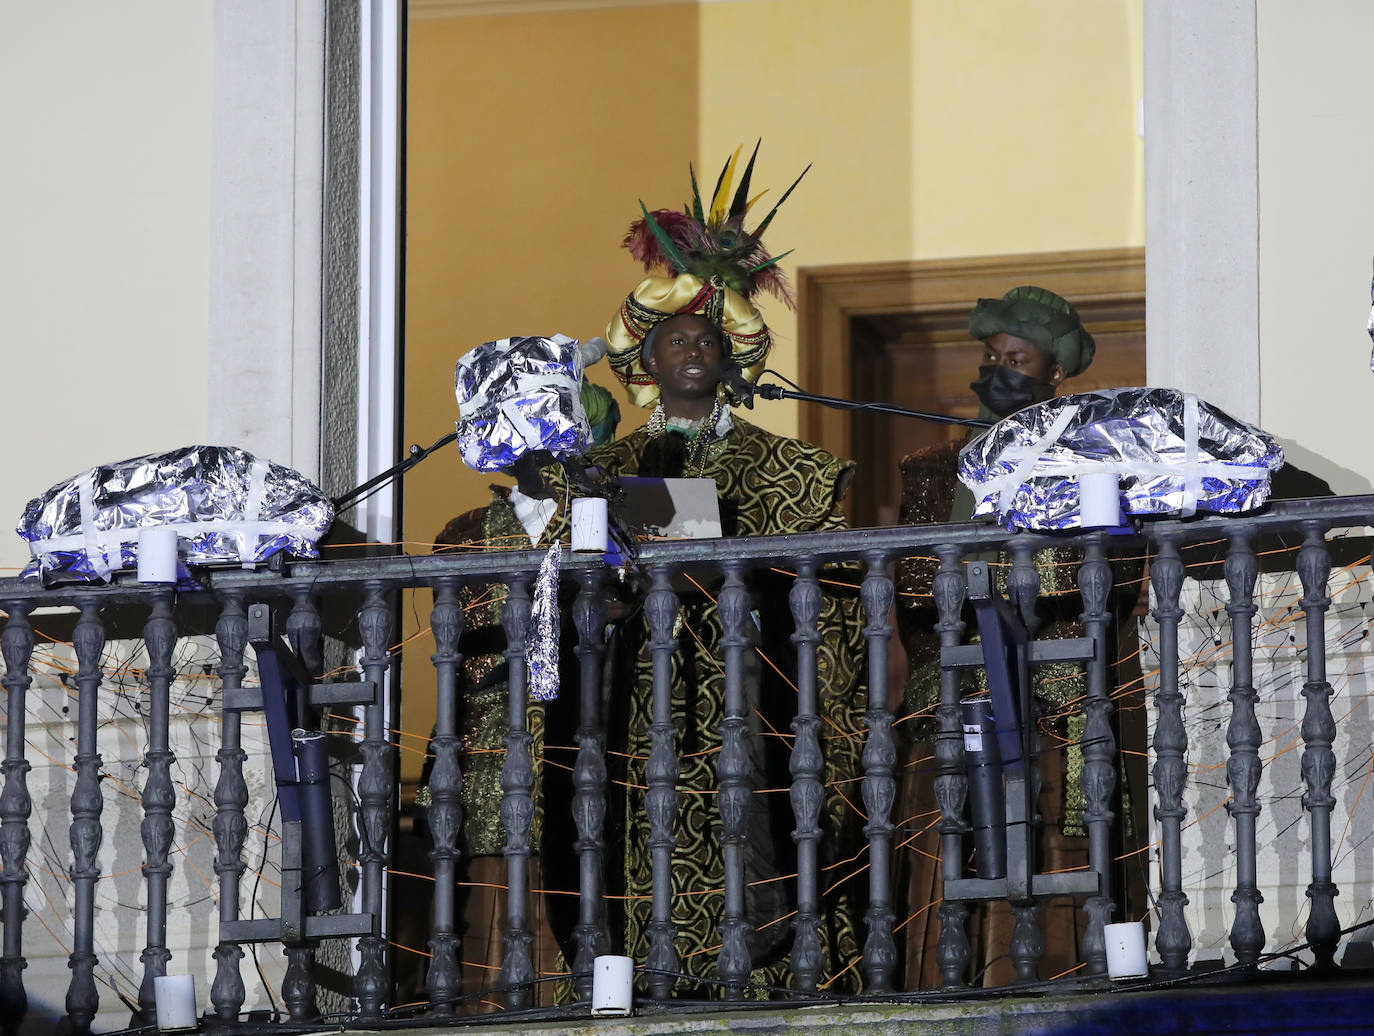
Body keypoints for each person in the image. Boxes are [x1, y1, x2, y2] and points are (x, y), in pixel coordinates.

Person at [531, 150, 870, 995]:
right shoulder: (599, 465)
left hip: (748, 703)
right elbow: (540, 570)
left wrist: (733, 590)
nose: (689, 349)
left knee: (748, 844)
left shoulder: (796, 471)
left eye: (704, 338)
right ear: (646, 358)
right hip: (628, 705)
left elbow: (831, 609)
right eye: (672, 337)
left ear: (729, 358)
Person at [895, 285, 1132, 989]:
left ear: (1054, 375)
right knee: (949, 843)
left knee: (1051, 837)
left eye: (1018, 358)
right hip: (951, 689)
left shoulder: (1093, 460)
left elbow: (1104, 579)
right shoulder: (932, 467)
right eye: (993, 355)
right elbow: (910, 578)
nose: (999, 369)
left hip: (1054, 698)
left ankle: (1061, 984)